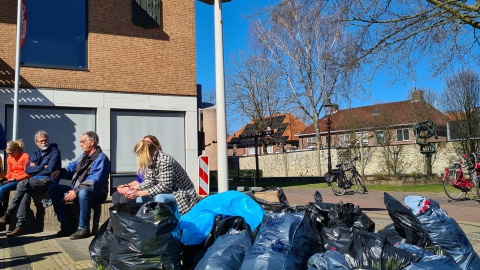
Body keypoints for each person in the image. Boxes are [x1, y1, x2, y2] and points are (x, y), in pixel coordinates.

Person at [49, 131, 110, 240]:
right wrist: (60, 171)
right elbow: (72, 167)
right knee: (54, 189)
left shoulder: (102, 158)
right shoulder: (83, 156)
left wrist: (75, 191)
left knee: (83, 192)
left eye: (82, 142)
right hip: (78, 188)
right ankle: (67, 223)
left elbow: (94, 181)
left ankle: (83, 229)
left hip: (96, 192)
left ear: (91, 142)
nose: (80, 144)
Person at [0, 131, 61, 237]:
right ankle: (21, 226)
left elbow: (50, 169)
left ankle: (8, 214)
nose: (43, 142)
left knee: (22, 184)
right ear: (36, 142)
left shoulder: (55, 152)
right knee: (25, 193)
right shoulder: (36, 154)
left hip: (47, 180)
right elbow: (28, 170)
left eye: (45, 140)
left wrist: (36, 168)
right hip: (33, 181)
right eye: (41, 141)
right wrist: (42, 166)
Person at [116, 139, 198, 215]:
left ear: (145, 153)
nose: (138, 158)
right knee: (139, 199)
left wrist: (139, 193)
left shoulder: (164, 161)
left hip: (181, 194)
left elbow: (164, 186)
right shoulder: (151, 161)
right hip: (168, 191)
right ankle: (140, 223)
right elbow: (149, 181)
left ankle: (159, 224)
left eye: (139, 155)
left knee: (160, 198)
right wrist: (133, 190)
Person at [111, 135, 161, 205]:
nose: (145, 145)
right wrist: (126, 186)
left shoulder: (159, 161)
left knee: (126, 197)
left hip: (151, 189)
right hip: (142, 187)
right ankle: (119, 214)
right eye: (144, 142)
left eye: (148, 143)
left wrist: (131, 189)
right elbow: (139, 181)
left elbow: (151, 183)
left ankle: (128, 215)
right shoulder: (144, 163)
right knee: (116, 195)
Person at [0, 140, 30, 216]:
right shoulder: (9, 158)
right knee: (1, 184)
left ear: (16, 150)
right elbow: (9, 173)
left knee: (2, 189)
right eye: (8, 153)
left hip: (21, 180)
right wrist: (4, 179)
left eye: (10, 153)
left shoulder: (25, 156)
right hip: (12, 179)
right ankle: (3, 210)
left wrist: (15, 179)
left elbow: (28, 174)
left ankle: (1, 210)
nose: (9, 155)